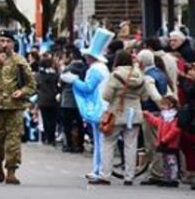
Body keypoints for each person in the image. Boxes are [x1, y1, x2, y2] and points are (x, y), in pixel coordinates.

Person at [0, 29, 36, 185]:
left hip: (14, 107)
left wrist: (21, 92)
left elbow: (31, 85)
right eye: (2, 41)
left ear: (13, 43)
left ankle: (11, 170)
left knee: (13, 139)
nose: (4, 44)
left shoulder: (20, 61)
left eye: (8, 41)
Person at [94, 49, 163, 186]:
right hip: (135, 112)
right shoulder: (140, 75)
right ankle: (129, 177)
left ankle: (105, 175)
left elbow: (106, 96)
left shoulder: (115, 75)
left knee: (109, 143)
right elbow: (144, 96)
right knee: (131, 145)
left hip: (116, 113)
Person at [63, 29, 113, 181]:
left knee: (100, 142)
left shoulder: (95, 69)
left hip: (98, 107)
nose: (85, 58)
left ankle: (99, 170)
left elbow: (88, 87)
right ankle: (98, 169)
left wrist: (74, 80)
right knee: (100, 141)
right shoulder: (103, 68)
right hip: (104, 105)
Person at [144, 95, 182, 187]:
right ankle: (167, 178)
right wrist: (149, 116)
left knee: (171, 162)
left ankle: (173, 179)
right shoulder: (164, 115)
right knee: (165, 161)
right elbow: (157, 123)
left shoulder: (174, 117)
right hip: (163, 142)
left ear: (171, 105)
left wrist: (165, 139)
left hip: (170, 143)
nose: (162, 106)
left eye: (164, 104)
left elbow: (175, 130)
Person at [59, 48, 86, 153]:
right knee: (80, 124)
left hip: (68, 100)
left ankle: (69, 145)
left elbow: (61, 83)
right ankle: (80, 144)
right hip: (81, 100)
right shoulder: (86, 68)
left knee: (67, 124)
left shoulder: (68, 69)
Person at [36, 54, 61, 146]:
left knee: (45, 119)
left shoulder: (38, 76)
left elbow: (36, 86)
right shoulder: (55, 75)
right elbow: (58, 86)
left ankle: (47, 137)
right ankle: (52, 137)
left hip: (43, 100)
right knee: (53, 119)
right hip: (53, 99)